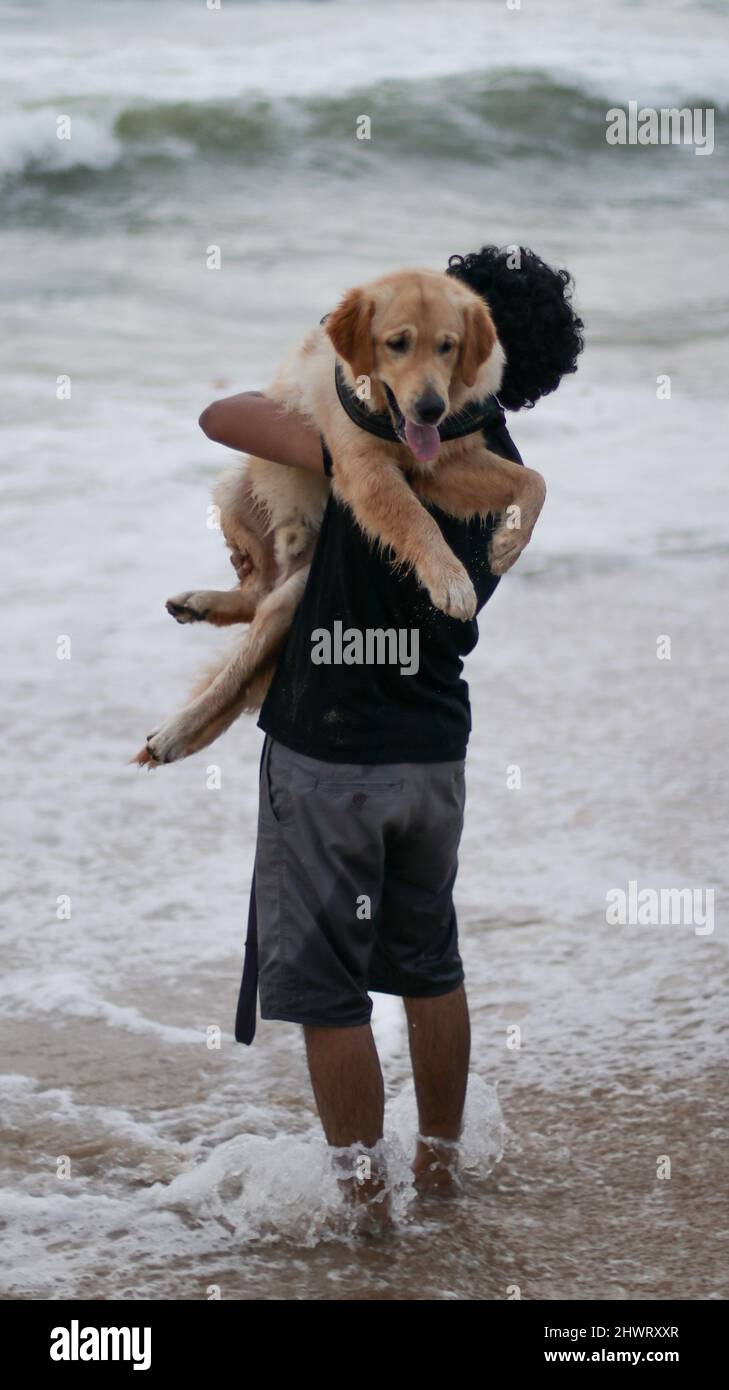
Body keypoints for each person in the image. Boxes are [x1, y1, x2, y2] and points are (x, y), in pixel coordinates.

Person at [199, 246, 584, 1230]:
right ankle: (443, 1175)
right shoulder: (501, 479)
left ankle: (369, 1207)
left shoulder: (369, 430)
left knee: (331, 992)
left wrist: (348, 371)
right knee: (430, 964)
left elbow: (221, 417)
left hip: (329, 752)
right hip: (433, 752)